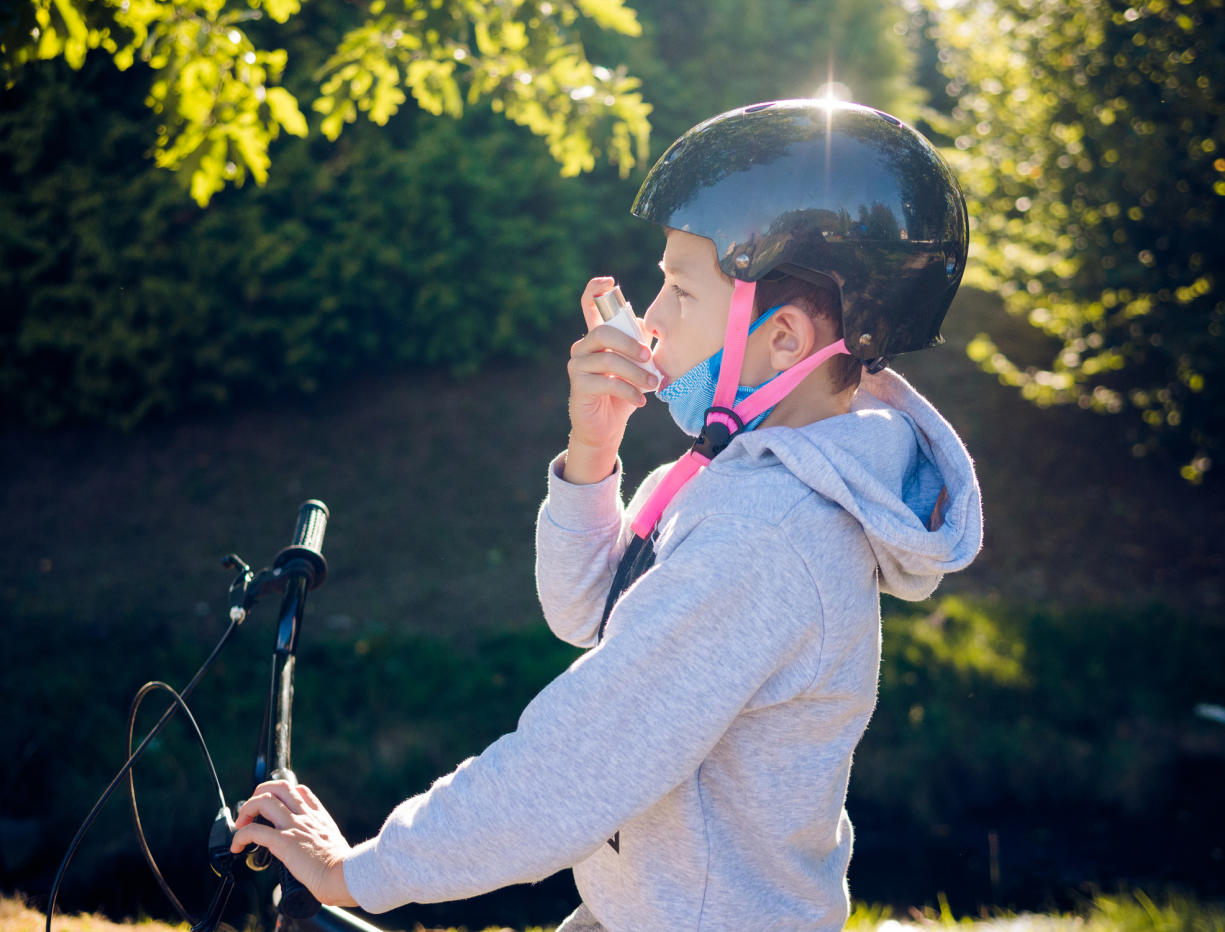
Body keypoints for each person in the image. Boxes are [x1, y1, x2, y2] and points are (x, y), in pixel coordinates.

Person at [229, 99, 984, 931]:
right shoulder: (744, 477)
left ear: (784, 341)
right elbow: (589, 609)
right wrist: (593, 450)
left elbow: (581, 759)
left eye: (680, 290)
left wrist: (355, 871)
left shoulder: (769, 533)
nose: (652, 320)